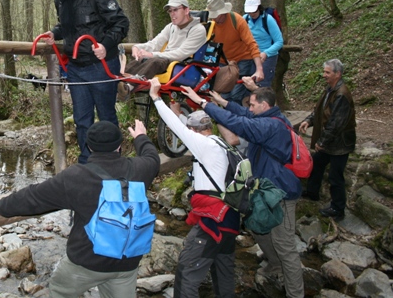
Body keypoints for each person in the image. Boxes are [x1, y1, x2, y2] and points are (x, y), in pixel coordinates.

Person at [0, 120, 160, 298]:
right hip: (127, 261)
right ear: (120, 145)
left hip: (87, 262)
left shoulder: (76, 177)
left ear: (89, 146)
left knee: (59, 290)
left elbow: (34, 197)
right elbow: (152, 156)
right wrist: (141, 137)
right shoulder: (141, 168)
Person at [182, 85, 304, 298]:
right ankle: (274, 266)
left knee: (285, 246)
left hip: (281, 193)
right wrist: (223, 102)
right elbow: (244, 114)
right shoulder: (269, 117)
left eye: (253, 104)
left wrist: (204, 104)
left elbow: (239, 123)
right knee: (258, 229)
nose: (250, 108)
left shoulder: (269, 126)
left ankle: (296, 294)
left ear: (264, 105)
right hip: (265, 190)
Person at [149, 78, 239, 298]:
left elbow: (178, 128)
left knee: (187, 272)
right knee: (223, 273)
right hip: (230, 219)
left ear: (195, 131)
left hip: (212, 222)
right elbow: (186, 126)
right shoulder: (218, 143)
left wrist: (155, 97)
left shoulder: (204, 146)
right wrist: (179, 111)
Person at [40, 0, 129, 164]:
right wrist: (55, 33)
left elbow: (121, 23)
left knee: (106, 117)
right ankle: (86, 164)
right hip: (76, 68)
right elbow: (68, 26)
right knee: (82, 119)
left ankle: (112, 162)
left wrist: (105, 46)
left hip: (101, 65)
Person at [117, 0, 207, 100]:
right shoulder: (171, 27)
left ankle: (128, 88)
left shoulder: (198, 30)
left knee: (154, 61)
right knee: (139, 60)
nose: (172, 14)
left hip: (182, 65)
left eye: (175, 10)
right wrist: (138, 47)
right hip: (165, 59)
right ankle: (117, 81)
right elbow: (155, 43)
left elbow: (180, 54)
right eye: (170, 11)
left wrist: (152, 54)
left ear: (186, 10)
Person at [299, 59, 356, 220]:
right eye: (324, 72)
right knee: (316, 163)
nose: (324, 75)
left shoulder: (342, 94)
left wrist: (321, 142)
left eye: (327, 72)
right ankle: (312, 192)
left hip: (340, 144)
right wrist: (308, 121)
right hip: (332, 141)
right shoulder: (330, 89)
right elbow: (320, 110)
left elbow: (336, 123)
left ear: (337, 74)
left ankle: (338, 209)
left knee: (335, 177)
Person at [206, 0, 264, 106]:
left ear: (223, 12)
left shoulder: (237, 20)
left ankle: (238, 118)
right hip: (223, 62)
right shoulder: (210, 24)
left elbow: (252, 44)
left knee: (236, 93)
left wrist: (259, 69)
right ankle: (227, 118)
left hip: (243, 59)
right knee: (225, 92)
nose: (215, 18)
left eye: (216, 15)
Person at [243, 0, 284, 88]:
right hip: (250, 56)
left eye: (253, 11)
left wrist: (266, 53)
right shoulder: (245, 19)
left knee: (262, 84)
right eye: (249, 11)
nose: (251, 14)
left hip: (267, 55)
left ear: (259, 8)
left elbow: (279, 41)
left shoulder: (268, 19)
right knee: (248, 84)